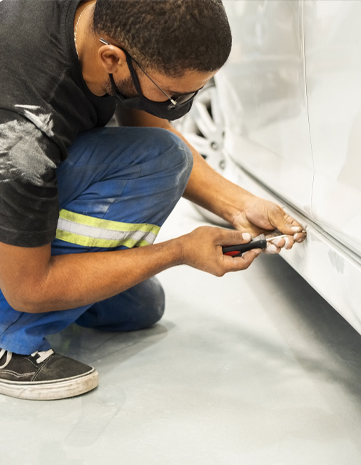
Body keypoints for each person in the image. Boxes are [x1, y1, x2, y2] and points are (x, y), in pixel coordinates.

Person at [0, 0, 306, 401]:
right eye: (173, 93)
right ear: (111, 58)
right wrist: (178, 251)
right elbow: (30, 289)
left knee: (139, 308)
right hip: (13, 181)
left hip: (31, 176)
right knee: (161, 158)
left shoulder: (111, 30)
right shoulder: (27, 129)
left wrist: (239, 205)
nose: (182, 106)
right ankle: (11, 346)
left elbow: (143, 115)